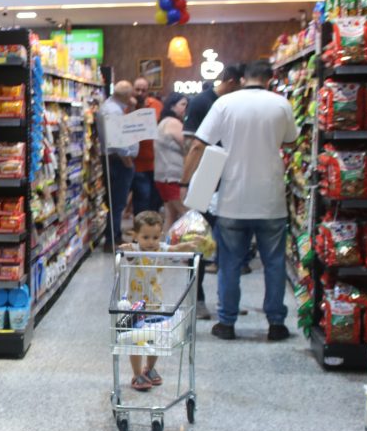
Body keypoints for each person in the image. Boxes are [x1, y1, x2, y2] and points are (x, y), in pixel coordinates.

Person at [182, 60, 299, 342]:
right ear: (269, 79)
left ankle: (227, 322)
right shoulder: (281, 104)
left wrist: (185, 181)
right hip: (270, 199)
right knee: (274, 263)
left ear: (243, 78)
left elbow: (198, 144)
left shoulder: (225, 104)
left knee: (229, 264)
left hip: (232, 198)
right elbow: (291, 141)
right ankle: (276, 324)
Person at [181, 63, 244, 321]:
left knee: (229, 245)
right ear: (232, 81)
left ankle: (226, 302)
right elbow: (191, 145)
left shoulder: (235, 104)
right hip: (206, 178)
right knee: (198, 242)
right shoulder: (201, 102)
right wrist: (185, 182)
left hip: (230, 178)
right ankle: (197, 299)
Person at [118, 211, 199, 390]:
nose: (151, 242)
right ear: (135, 236)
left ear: (161, 235)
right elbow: (128, 253)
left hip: (156, 304)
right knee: (136, 340)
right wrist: (126, 248)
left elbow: (175, 249)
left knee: (156, 338)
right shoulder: (135, 250)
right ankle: (137, 374)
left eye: (155, 237)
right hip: (135, 306)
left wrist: (187, 245)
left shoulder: (161, 249)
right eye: (145, 237)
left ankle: (150, 368)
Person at [102, 80, 137, 249]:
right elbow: (117, 141)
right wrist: (127, 162)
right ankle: (112, 238)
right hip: (118, 161)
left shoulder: (112, 107)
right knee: (117, 203)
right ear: (126, 95)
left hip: (116, 160)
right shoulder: (114, 111)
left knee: (116, 202)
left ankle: (114, 235)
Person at [153, 93, 189, 229]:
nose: (186, 108)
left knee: (171, 216)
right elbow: (188, 146)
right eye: (183, 104)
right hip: (173, 176)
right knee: (188, 215)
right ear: (172, 106)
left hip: (163, 176)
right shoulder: (174, 123)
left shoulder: (163, 122)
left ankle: (167, 242)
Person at [131, 77, 164, 215]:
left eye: (143, 90)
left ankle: (152, 225)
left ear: (148, 91)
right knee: (142, 198)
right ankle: (140, 226)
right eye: (137, 89)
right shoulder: (127, 106)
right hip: (136, 161)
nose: (140, 93)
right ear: (133, 90)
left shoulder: (156, 105)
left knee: (155, 198)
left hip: (155, 161)